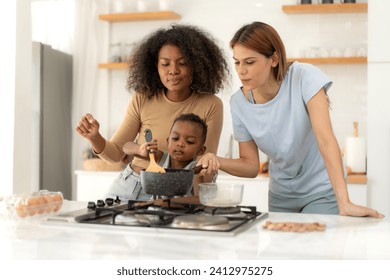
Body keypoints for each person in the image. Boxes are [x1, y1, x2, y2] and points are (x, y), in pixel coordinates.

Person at [197, 22, 384, 218]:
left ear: (274, 59)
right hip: (281, 195)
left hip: (320, 190)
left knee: (317, 245)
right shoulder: (238, 103)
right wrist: (216, 159)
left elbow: (325, 139)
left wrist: (344, 202)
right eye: (237, 62)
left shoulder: (304, 77)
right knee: (283, 247)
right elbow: (251, 166)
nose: (241, 71)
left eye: (250, 62)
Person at [76, 24, 229, 200]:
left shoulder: (211, 104)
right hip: (132, 185)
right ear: (155, 66)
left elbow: (203, 165)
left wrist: (192, 199)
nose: (173, 70)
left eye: (183, 63)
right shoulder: (142, 98)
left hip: (178, 191)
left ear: (196, 65)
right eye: (165, 64)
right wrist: (95, 137)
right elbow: (117, 152)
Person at [116, 113, 214, 199]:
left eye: (189, 141)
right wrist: (140, 150)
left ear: (201, 150)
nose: (180, 144)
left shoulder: (199, 169)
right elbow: (126, 147)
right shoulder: (161, 158)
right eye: (175, 138)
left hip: (183, 217)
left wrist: (164, 203)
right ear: (168, 142)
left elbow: (199, 200)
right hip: (156, 212)